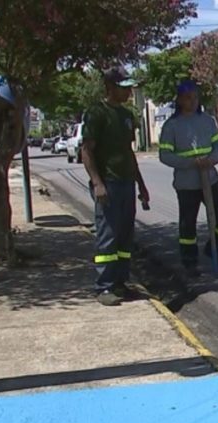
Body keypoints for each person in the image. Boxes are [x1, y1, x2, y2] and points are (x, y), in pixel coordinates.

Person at [81, 66, 150, 306]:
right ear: (110, 88)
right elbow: (86, 151)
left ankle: (121, 282)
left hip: (126, 183)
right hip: (108, 184)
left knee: (124, 237)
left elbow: (128, 153)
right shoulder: (97, 113)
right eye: (124, 87)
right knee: (108, 236)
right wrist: (97, 183)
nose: (129, 91)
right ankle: (104, 286)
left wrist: (141, 185)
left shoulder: (126, 116)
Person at [158, 79, 218, 276]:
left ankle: (213, 247)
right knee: (187, 222)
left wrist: (212, 159)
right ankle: (189, 260)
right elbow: (165, 155)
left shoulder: (207, 121)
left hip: (210, 177)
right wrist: (190, 163)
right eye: (188, 98)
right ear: (180, 100)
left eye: (195, 97)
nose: (192, 101)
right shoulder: (171, 126)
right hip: (186, 183)